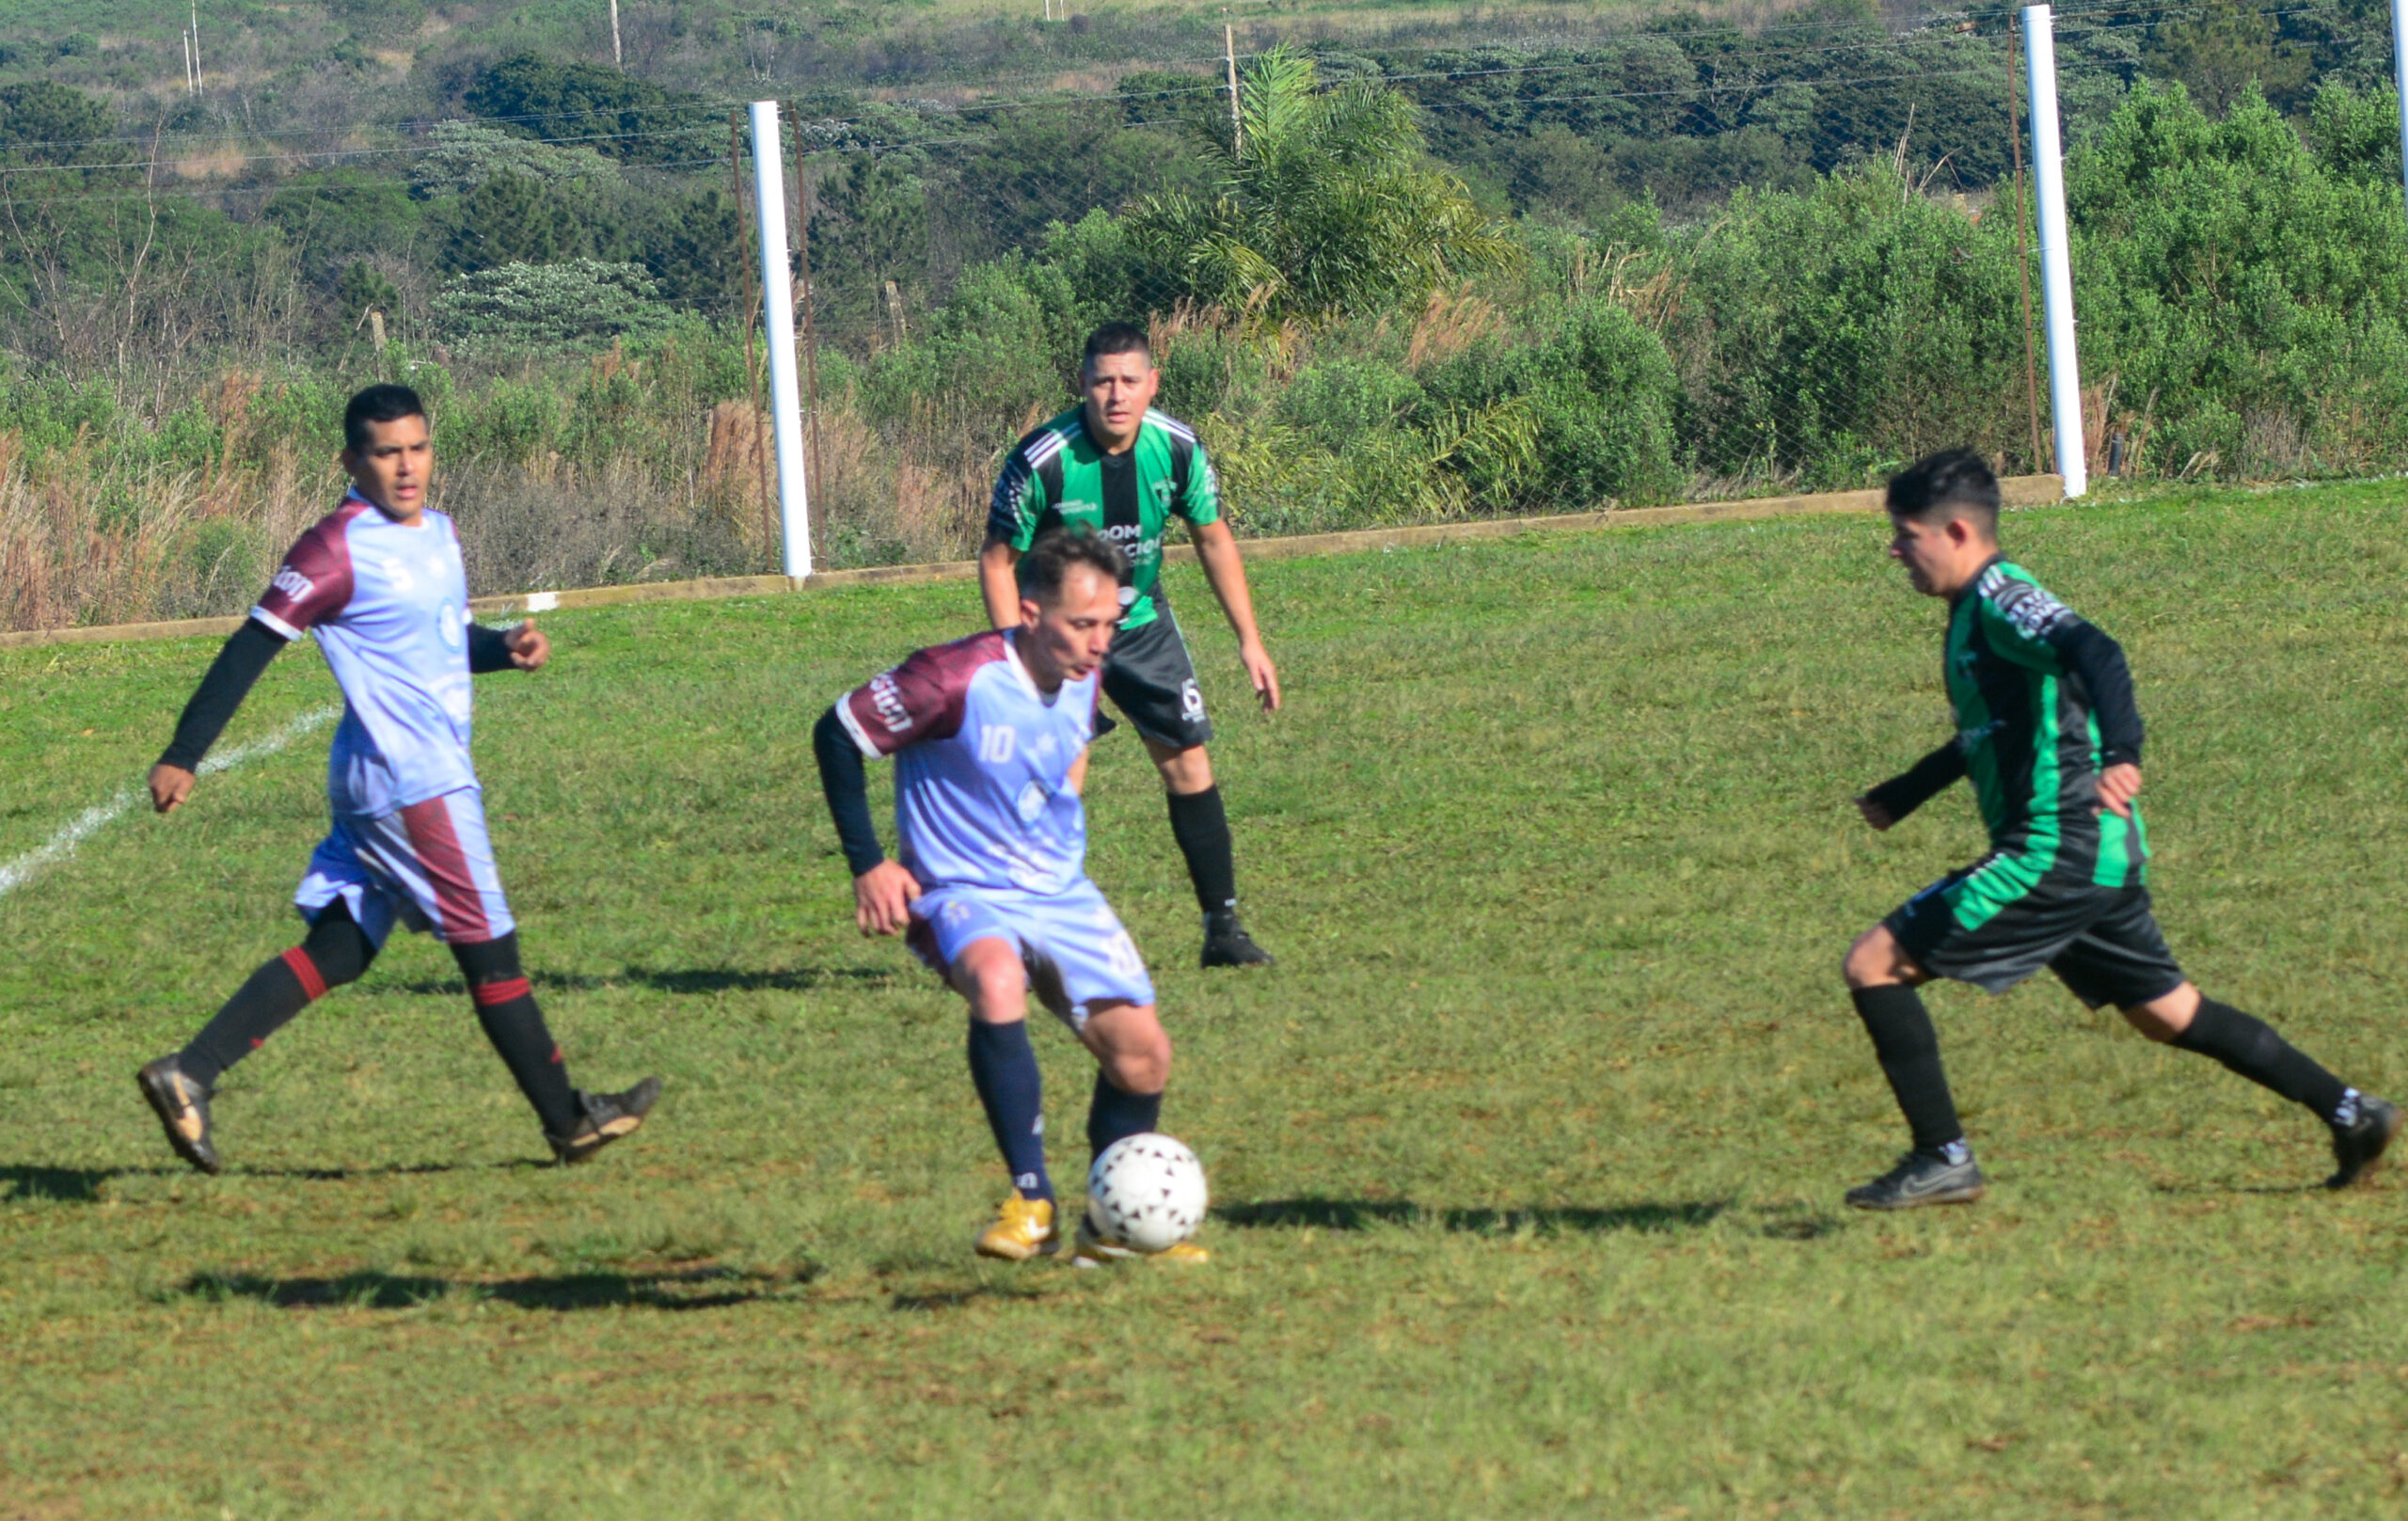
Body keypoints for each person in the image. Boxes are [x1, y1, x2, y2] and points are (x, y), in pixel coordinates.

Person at [1840, 449, 2395, 1209]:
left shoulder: (2003, 598)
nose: (1895, 550)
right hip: (2096, 854)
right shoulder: (1971, 611)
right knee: (2170, 1013)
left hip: (2056, 849)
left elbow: (2097, 649)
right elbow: (1996, 729)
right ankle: (2352, 1111)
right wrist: (1908, 791)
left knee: (1874, 963)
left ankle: (1943, 1155)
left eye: (1906, 535)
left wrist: (2124, 753)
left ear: (1958, 531)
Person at [136, 384, 660, 1175]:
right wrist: (185, 752)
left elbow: (442, 638)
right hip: (411, 782)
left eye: (417, 447)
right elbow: (252, 644)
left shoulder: (439, 532)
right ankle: (568, 1120)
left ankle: (189, 1071)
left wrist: (501, 647)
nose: (407, 466)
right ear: (353, 461)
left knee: (343, 944)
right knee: (490, 945)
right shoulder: (334, 547)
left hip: (384, 779)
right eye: (387, 453)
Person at [816, 529, 1206, 1265]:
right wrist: (869, 864)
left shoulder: (1084, 671)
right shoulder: (950, 679)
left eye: (1108, 624)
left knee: (1143, 1058)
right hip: (960, 890)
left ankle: (1110, 1233)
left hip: (1058, 890)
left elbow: (1064, 747)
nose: (1100, 643)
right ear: (1030, 613)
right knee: (998, 980)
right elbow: (837, 734)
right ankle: (1032, 1201)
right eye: (1082, 625)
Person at [981, 322, 1280, 970]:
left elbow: (1213, 537)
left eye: (1128, 381)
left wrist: (1249, 640)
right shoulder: (1044, 458)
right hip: (1058, 635)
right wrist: (1015, 656)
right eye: (1102, 382)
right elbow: (998, 561)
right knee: (1062, 776)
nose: (1116, 395)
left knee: (1189, 764)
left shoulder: (1177, 448)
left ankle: (1222, 930)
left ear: (1152, 384)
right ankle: (1028, 936)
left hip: (1140, 621)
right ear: (1082, 384)